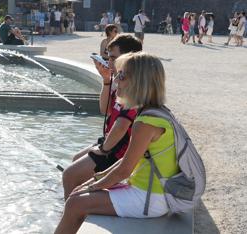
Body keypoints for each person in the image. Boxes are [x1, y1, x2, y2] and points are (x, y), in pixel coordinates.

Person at [55, 52, 179, 234]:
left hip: (149, 198)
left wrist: (92, 186)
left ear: (138, 82)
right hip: (150, 191)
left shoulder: (145, 123)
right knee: (78, 196)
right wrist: (95, 180)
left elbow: (124, 170)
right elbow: (128, 160)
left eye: (121, 75)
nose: (116, 80)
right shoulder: (155, 112)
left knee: (74, 203)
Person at [62, 34, 143, 201]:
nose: (109, 62)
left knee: (69, 175)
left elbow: (121, 126)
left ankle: (71, 212)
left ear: (128, 58)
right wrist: (106, 81)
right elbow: (103, 108)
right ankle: (76, 203)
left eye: (113, 57)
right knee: (75, 160)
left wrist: (103, 150)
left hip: (117, 152)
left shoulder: (134, 87)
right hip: (110, 143)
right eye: (108, 57)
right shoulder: (120, 81)